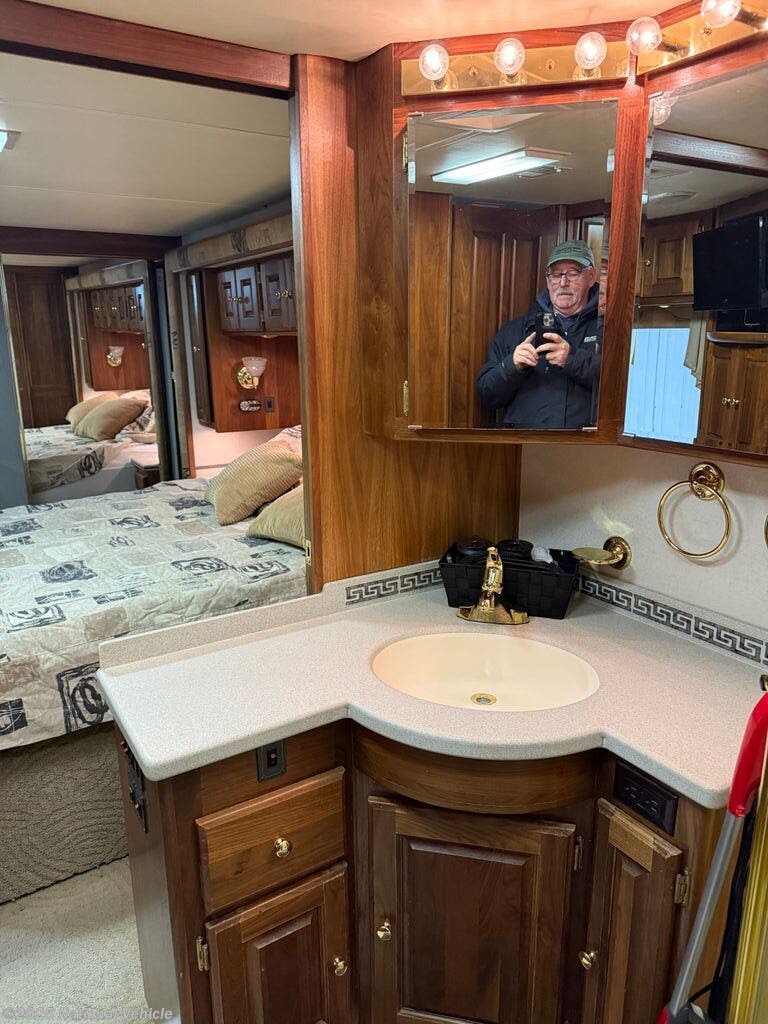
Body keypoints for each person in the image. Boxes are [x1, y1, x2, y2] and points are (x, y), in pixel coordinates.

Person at [476, 239, 602, 429]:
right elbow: (487, 396)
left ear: (591, 277)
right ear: (548, 280)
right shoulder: (515, 330)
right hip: (525, 445)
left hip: (587, 445)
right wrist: (511, 366)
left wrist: (572, 360)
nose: (563, 282)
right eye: (556, 274)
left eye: (573, 273)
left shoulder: (609, 329)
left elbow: (623, 390)